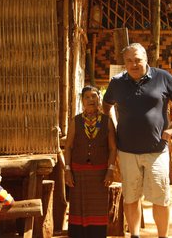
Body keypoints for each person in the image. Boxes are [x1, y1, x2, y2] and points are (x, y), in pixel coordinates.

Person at [102, 43, 172, 238]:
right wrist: (113, 126)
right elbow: (106, 104)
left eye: (138, 60)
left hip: (156, 151)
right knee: (131, 197)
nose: (134, 64)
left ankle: (162, 236)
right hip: (126, 151)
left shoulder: (162, 77)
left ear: (146, 59)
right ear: (124, 63)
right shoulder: (117, 82)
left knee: (160, 198)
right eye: (129, 61)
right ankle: (134, 235)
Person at [64, 85, 117, 238]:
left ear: (99, 99)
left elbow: (113, 149)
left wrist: (110, 170)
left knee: (98, 208)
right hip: (78, 172)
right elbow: (68, 147)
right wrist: (67, 170)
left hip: (100, 173)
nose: (90, 100)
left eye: (94, 96)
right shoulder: (76, 121)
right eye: (87, 97)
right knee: (77, 208)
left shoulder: (107, 121)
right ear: (82, 101)